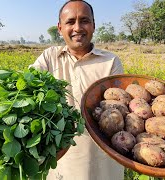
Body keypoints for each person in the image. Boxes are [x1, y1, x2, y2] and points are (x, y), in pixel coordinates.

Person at [30, 0, 124, 179]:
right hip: (62, 161)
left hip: (104, 159)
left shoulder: (111, 61)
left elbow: (119, 109)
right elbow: (27, 85)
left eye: (85, 21)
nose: (78, 27)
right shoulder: (50, 57)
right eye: (70, 21)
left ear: (94, 26)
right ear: (59, 28)